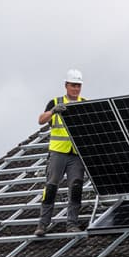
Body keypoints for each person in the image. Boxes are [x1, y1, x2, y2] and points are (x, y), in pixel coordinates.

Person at [35, 69, 87, 235]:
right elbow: (40, 120)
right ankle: (43, 225)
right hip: (58, 153)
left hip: (76, 154)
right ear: (66, 85)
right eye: (73, 85)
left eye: (78, 86)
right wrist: (53, 111)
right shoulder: (55, 102)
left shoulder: (84, 103)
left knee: (76, 187)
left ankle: (71, 223)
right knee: (51, 187)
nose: (76, 89)